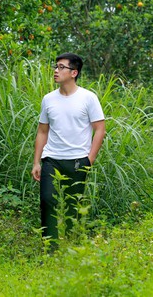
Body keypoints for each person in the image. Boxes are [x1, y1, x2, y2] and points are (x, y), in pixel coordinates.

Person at [32, 53, 106, 250]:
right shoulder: (48, 99)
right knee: (47, 201)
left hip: (77, 161)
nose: (56, 71)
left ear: (74, 72)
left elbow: (100, 129)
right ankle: (50, 248)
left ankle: (73, 248)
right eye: (56, 66)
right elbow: (42, 131)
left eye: (61, 67)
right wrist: (36, 162)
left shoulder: (88, 98)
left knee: (73, 208)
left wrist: (89, 160)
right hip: (51, 159)